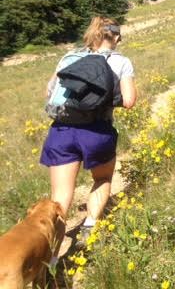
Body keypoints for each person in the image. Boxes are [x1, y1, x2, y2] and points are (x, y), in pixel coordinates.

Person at [40, 16, 137, 246]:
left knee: (60, 198)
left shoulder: (69, 57)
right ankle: (90, 226)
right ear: (114, 37)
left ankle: (52, 256)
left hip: (62, 131)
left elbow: (49, 92)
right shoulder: (120, 62)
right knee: (102, 178)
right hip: (97, 131)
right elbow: (130, 100)